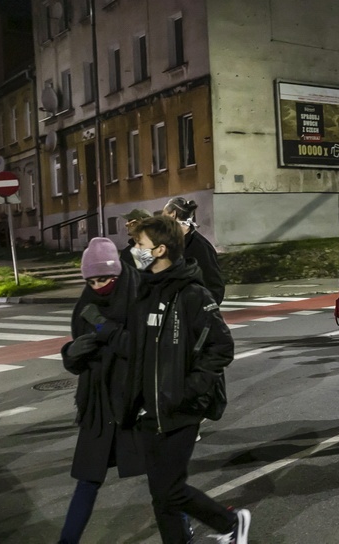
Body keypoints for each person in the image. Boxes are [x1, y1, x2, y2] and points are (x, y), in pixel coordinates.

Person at [129, 216, 248, 544]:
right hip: (147, 410)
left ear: (161, 249)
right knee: (161, 495)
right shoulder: (141, 290)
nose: (134, 250)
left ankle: (230, 523)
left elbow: (221, 346)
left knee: (171, 490)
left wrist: (189, 388)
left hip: (180, 409)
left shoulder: (192, 293)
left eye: (140, 245)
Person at [58, 238, 143, 544]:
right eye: (91, 280)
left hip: (134, 404)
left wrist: (106, 330)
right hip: (98, 405)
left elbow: (139, 349)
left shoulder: (138, 296)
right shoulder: (85, 304)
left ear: (117, 273)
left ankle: (193, 530)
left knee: (164, 481)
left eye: (104, 278)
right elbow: (78, 364)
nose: (98, 286)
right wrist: (71, 353)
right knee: (87, 480)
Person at [162, 197, 225, 305]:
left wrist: (197, 311)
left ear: (173, 214)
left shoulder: (200, 247)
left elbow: (215, 287)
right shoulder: (170, 245)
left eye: (163, 217)